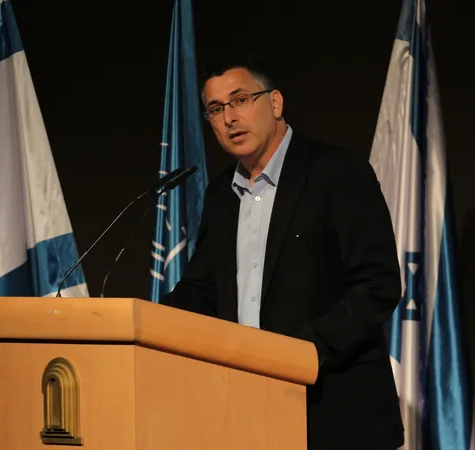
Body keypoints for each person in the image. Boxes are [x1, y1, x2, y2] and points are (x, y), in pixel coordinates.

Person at [161, 56, 404, 450]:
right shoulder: (221, 194)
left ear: (275, 103)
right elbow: (202, 289)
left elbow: (377, 284)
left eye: (240, 100)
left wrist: (301, 354)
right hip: (248, 411)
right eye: (216, 109)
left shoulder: (337, 173)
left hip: (335, 411)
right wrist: (143, 321)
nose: (230, 118)